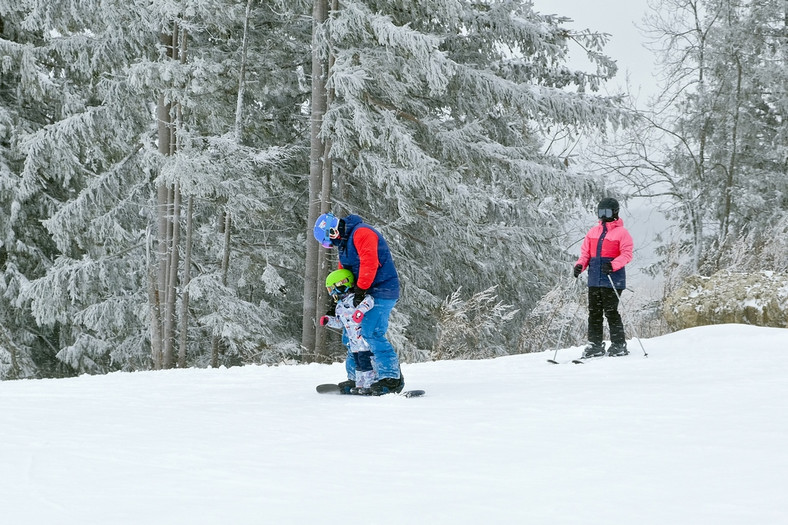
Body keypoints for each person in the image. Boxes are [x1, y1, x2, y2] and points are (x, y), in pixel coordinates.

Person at [313, 212, 404, 394]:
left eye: (328, 242)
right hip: (362, 291)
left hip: (381, 291)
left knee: (371, 333)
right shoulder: (344, 244)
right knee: (351, 337)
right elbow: (343, 272)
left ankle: (391, 377)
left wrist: (360, 289)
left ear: (332, 231)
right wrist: (338, 297)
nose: (331, 246)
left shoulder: (362, 233)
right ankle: (358, 378)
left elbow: (369, 262)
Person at [573, 198, 634, 358]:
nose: (603, 216)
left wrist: (613, 265)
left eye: (606, 212)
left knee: (610, 311)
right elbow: (586, 254)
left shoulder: (622, 233)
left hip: (613, 279)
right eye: (600, 213)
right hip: (594, 278)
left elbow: (627, 254)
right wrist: (580, 265)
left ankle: (619, 344)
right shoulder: (593, 232)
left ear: (615, 212)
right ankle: (595, 345)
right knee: (594, 312)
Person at [320, 269, 377, 393]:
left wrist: (360, 310)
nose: (332, 293)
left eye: (332, 288)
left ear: (342, 285)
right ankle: (360, 385)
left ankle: (369, 384)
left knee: (365, 361)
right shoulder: (340, 306)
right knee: (358, 363)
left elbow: (369, 300)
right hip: (353, 342)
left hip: (363, 339)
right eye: (330, 290)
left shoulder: (355, 299)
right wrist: (329, 321)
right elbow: (341, 323)